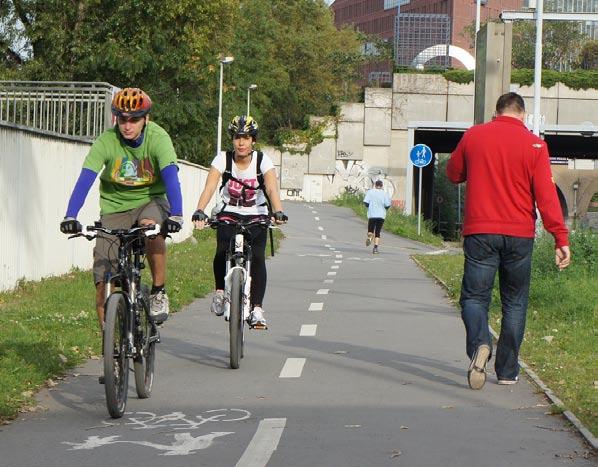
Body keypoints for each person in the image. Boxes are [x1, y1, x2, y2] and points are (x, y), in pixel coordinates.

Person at [447, 92, 570, 390]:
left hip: (480, 232)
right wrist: (560, 237)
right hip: (519, 236)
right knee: (514, 303)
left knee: (475, 298)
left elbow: (453, 174)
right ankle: (506, 371)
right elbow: (546, 195)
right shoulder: (536, 145)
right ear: (523, 115)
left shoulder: (474, 136)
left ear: (496, 112)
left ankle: (480, 343)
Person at [60, 87, 184, 333]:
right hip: (115, 209)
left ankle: (158, 291)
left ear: (145, 119)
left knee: (151, 228)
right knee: (104, 276)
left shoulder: (158, 138)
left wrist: (177, 214)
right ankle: (110, 344)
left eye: (134, 120)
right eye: (122, 119)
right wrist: (70, 215)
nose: (127, 125)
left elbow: (171, 178)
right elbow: (85, 180)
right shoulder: (107, 141)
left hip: (151, 201)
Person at [191, 115, 287, 329]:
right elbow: (210, 187)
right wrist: (199, 210)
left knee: (259, 258)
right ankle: (219, 291)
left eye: (246, 137)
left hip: (257, 214)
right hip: (229, 213)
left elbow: (271, 188)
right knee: (221, 251)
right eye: (237, 137)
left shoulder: (263, 160)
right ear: (232, 139)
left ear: (253, 140)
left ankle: (257, 308)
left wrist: (278, 211)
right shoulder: (222, 160)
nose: (241, 142)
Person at [363, 179, 391, 254]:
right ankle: (375, 248)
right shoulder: (385, 194)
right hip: (381, 215)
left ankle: (369, 237)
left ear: (375, 185)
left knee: (370, 231)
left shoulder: (370, 192)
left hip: (372, 215)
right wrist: (384, 208)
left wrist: (370, 207)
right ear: (382, 186)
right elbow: (387, 205)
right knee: (378, 232)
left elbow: (365, 203)